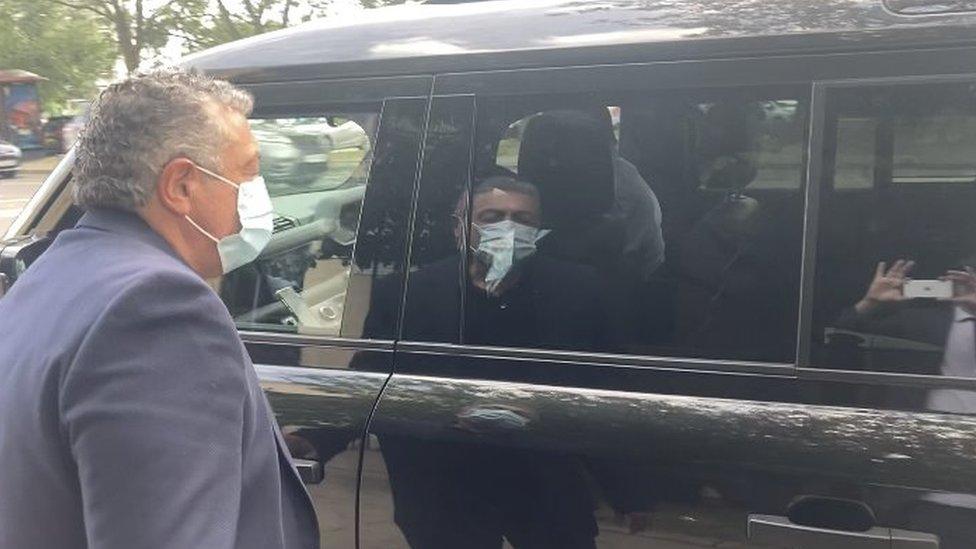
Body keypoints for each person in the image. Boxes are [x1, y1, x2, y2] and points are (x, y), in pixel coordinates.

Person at [0, 70, 318, 549]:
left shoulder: (50, 274)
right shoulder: (160, 310)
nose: (257, 192)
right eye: (248, 172)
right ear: (181, 186)